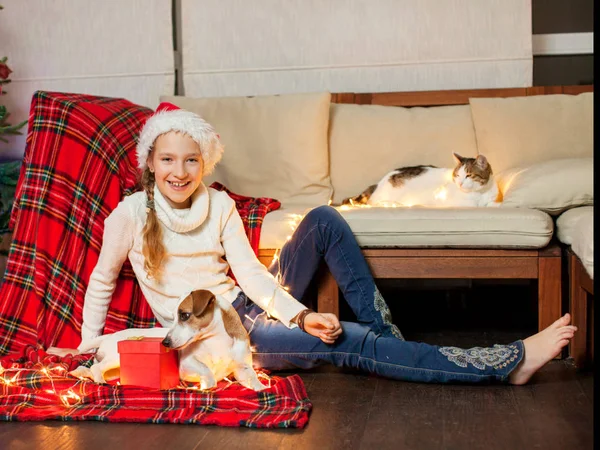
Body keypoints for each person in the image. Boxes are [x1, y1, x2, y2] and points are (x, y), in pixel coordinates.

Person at [50, 103, 576, 386]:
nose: (179, 171)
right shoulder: (128, 215)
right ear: (151, 163)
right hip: (224, 337)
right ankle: (506, 361)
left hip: (250, 305)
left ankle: (385, 336)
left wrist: (299, 316)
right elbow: (100, 282)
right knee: (353, 346)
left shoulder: (219, 204)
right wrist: (82, 346)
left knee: (324, 218)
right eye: (168, 160)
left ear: (204, 164)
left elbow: (252, 277)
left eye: (191, 161)